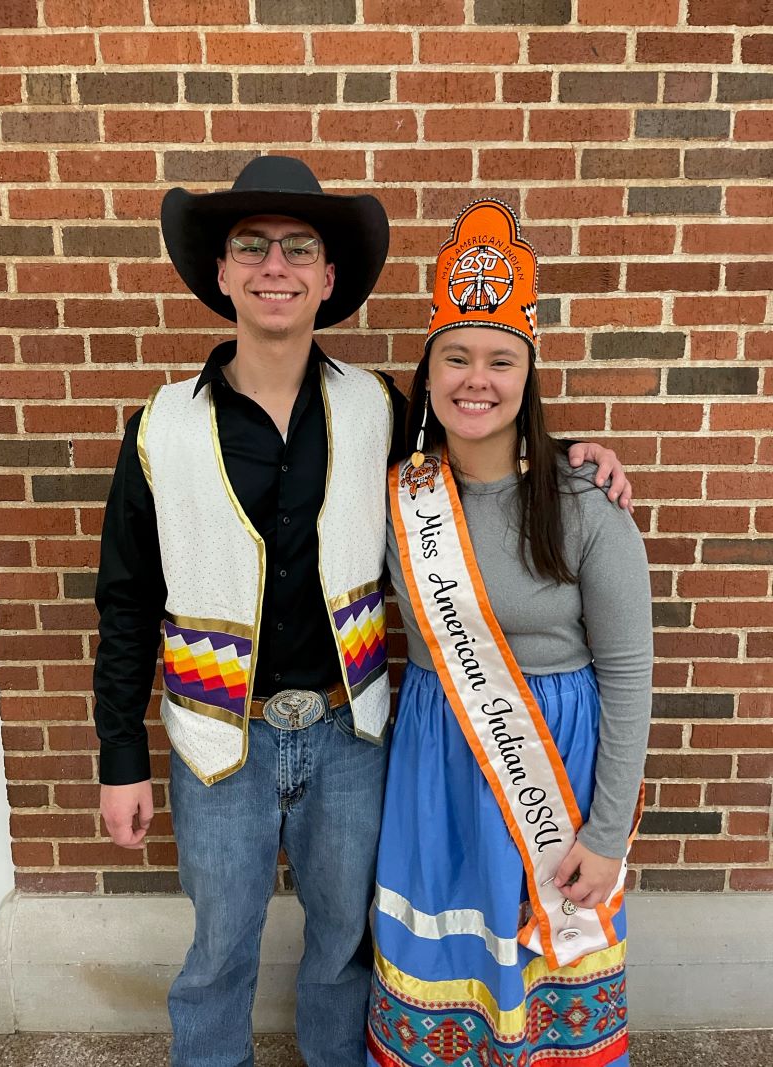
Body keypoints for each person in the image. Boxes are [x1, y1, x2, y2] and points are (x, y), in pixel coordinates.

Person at [93, 157, 634, 1067]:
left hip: (355, 738)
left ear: (328, 277)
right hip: (219, 739)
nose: (276, 265)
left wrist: (576, 451)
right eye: (251, 246)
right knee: (218, 955)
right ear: (220, 273)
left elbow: (484, 442)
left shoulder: (382, 409)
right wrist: (120, 757)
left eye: (298, 246)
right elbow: (126, 604)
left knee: (345, 952)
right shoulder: (158, 429)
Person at [367, 199, 653, 1067]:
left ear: (528, 374)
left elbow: (631, 680)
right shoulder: (395, 500)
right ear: (429, 370)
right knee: (444, 971)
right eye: (455, 357)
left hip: (553, 778)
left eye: (500, 359)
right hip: (436, 772)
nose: (476, 378)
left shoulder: (584, 506)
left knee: (546, 977)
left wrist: (606, 836)